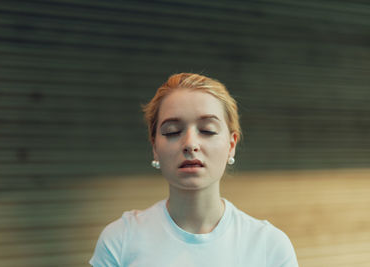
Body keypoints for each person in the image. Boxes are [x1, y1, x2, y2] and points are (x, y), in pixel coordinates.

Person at [90, 73, 299, 266]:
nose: (190, 143)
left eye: (207, 130)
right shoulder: (121, 239)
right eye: (172, 131)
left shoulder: (269, 246)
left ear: (231, 145)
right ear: (154, 147)